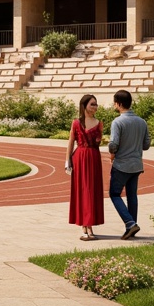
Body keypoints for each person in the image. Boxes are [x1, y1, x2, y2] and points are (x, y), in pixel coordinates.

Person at [108, 89, 152, 240]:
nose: (114, 105)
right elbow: (146, 144)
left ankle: (130, 223)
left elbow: (113, 144)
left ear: (119, 104)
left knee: (114, 194)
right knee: (132, 195)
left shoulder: (118, 122)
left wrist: (112, 153)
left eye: (114, 103)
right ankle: (132, 225)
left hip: (121, 164)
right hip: (137, 164)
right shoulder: (142, 122)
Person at [65, 94, 104, 240]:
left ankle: (90, 225)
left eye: (96, 104)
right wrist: (67, 160)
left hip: (94, 157)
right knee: (83, 191)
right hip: (80, 158)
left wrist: (100, 140)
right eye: (92, 104)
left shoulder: (99, 123)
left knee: (92, 191)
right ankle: (84, 225)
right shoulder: (76, 123)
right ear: (84, 105)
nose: (95, 107)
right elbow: (71, 141)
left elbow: (98, 142)